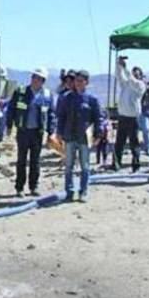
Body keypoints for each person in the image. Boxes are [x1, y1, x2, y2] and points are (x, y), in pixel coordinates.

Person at [52, 70, 104, 202]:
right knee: (69, 165)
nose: (78, 83)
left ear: (86, 82)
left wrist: (98, 134)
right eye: (76, 81)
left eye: (81, 81)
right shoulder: (66, 98)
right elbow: (61, 117)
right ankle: (69, 191)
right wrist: (59, 133)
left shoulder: (92, 100)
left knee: (85, 166)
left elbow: (98, 118)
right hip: (69, 136)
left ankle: (83, 191)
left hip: (84, 138)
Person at [6, 68, 56, 198]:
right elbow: (11, 108)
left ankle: (33, 187)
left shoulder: (46, 95)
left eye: (39, 78)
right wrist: (9, 125)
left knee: (35, 161)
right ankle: (19, 188)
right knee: (21, 160)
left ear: (43, 81)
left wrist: (51, 132)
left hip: (37, 133)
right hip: (23, 131)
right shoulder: (21, 92)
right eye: (34, 77)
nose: (35, 80)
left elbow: (51, 114)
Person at [113, 56, 147, 172]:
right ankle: (116, 164)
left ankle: (136, 164)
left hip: (133, 118)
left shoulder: (141, 85)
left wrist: (126, 69)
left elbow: (132, 81)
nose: (134, 76)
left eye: (137, 74)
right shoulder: (126, 84)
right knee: (119, 142)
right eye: (134, 74)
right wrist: (119, 65)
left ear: (141, 76)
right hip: (122, 116)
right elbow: (119, 76)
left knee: (134, 143)